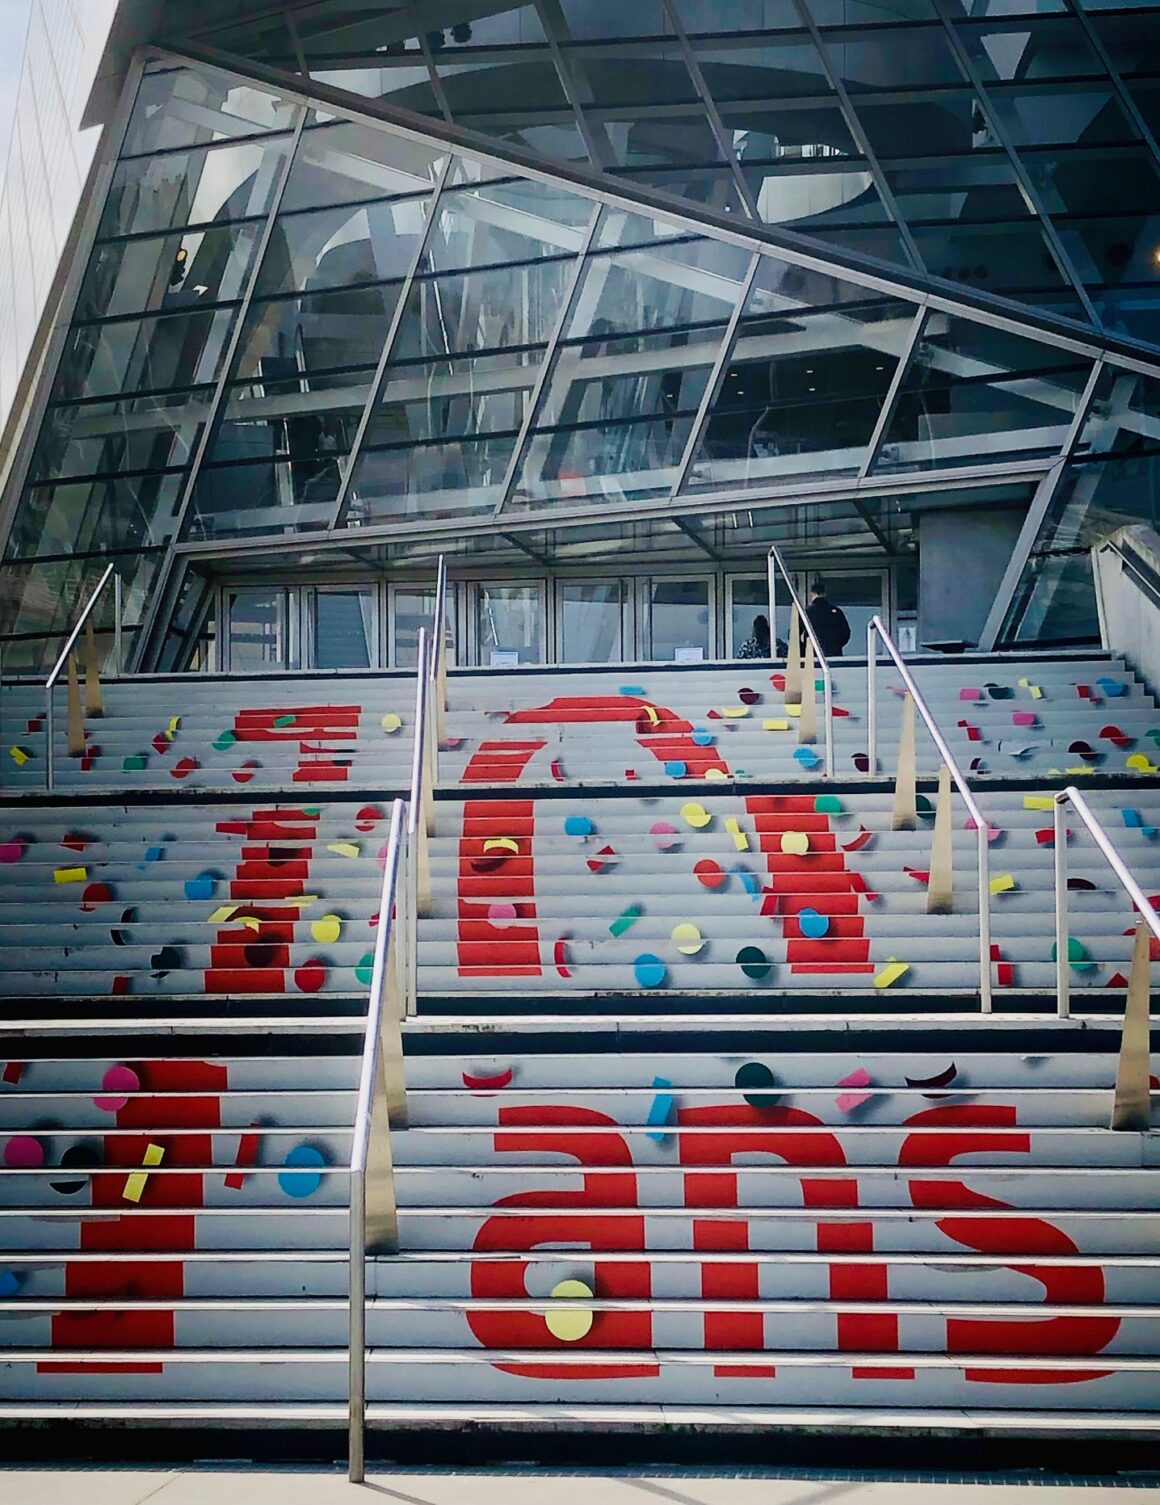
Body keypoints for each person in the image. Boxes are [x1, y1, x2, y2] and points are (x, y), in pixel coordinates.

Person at [802, 580, 851, 658]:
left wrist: (804, 648)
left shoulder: (807, 612)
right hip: (834, 654)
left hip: (812, 655)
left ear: (812, 594)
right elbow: (846, 633)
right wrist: (835, 645)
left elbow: (795, 633)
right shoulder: (836, 611)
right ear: (824, 594)